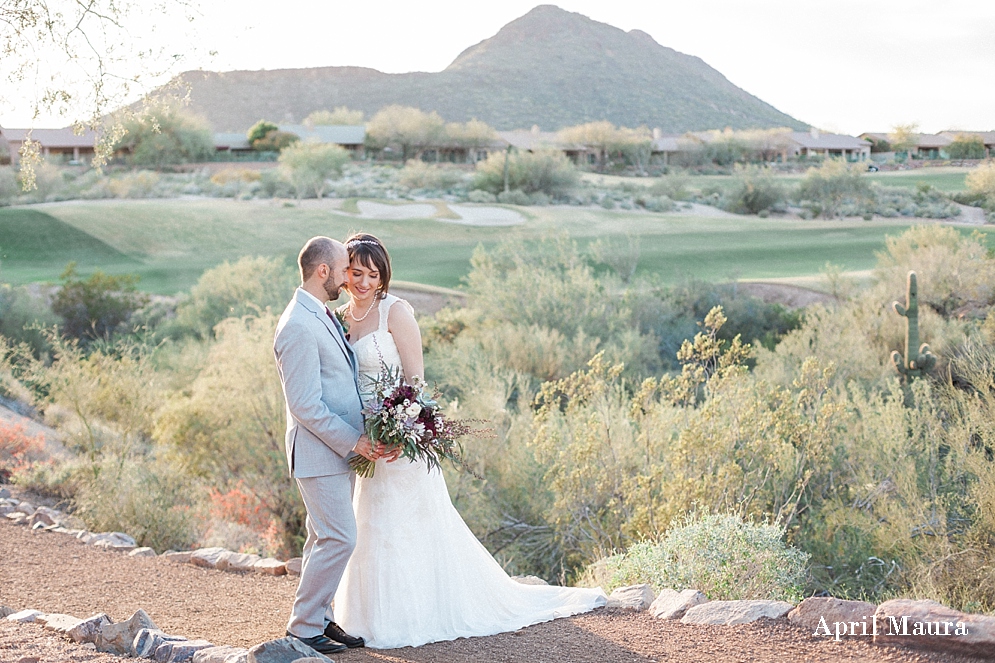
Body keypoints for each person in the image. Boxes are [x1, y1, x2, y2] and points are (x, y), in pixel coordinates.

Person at [333, 233, 607, 649]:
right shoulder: (337, 318)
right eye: (356, 272)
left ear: (383, 275)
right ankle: (369, 617)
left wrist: (400, 426)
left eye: (373, 274)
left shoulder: (396, 311)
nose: (365, 282)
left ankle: (421, 612)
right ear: (343, 272)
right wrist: (360, 435)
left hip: (399, 440)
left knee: (411, 525)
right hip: (363, 442)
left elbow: (416, 382)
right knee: (370, 527)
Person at [273, 236, 379, 655]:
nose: (346, 278)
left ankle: (322, 618)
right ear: (323, 272)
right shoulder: (297, 323)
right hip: (319, 452)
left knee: (322, 538)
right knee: (340, 538)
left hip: (334, 453)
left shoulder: (317, 314)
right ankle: (302, 628)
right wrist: (354, 440)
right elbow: (304, 405)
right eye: (342, 270)